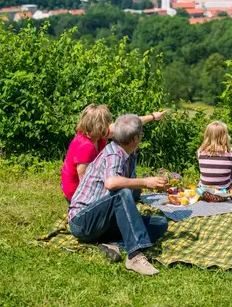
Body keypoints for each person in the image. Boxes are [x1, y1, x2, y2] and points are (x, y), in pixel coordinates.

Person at [68, 114, 169, 276]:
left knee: (159, 224)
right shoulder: (114, 154)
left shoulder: (127, 153)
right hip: (82, 222)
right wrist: (145, 182)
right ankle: (134, 256)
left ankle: (111, 244)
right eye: (141, 135)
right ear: (136, 138)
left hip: (104, 222)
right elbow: (111, 183)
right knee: (121, 192)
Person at [60, 104, 165, 201]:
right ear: (99, 126)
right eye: (107, 123)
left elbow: (128, 125)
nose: (109, 125)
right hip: (76, 192)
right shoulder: (85, 147)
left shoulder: (96, 134)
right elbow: (85, 183)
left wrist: (153, 116)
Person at [197, 121, 232, 190]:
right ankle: (226, 186)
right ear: (225, 136)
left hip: (204, 191)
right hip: (224, 190)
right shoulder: (231, 152)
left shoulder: (200, 151)